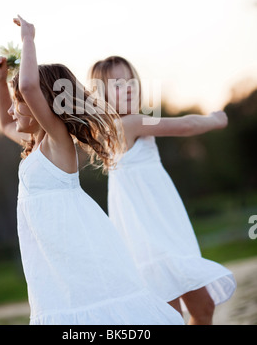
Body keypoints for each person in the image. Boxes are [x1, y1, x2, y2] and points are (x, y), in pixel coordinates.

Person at [0, 17, 184, 326]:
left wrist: (28, 39)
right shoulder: (34, 143)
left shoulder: (57, 140)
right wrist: (0, 83)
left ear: (43, 103)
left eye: (18, 103)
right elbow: (5, 124)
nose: (13, 110)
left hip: (76, 241)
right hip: (51, 257)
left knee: (100, 313)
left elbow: (27, 84)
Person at [89, 55, 236, 325]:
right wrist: (215, 120)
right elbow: (185, 125)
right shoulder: (128, 124)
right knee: (170, 316)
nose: (129, 87)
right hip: (149, 237)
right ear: (101, 96)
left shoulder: (124, 124)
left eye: (131, 80)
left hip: (163, 227)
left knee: (202, 307)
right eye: (118, 85)